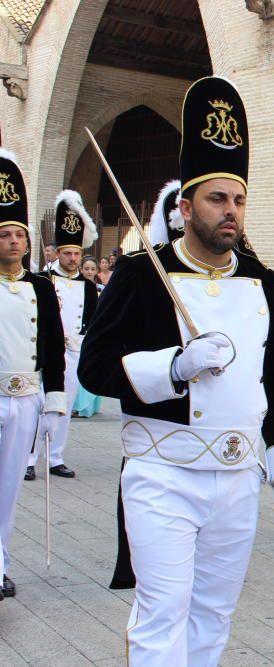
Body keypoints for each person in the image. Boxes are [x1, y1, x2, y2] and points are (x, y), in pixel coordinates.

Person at [78, 76, 274, 665]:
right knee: (164, 613)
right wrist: (173, 367)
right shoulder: (140, 274)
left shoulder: (260, 279)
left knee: (214, 615)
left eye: (237, 200)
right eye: (216, 199)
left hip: (236, 476)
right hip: (163, 472)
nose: (230, 212)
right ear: (185, 207)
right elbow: (94, 368)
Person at [0, 148, 66, 600]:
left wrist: (55, 399)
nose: (13, 242)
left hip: (25, 398)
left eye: (18, 234)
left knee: (7, 488)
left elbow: (54, 346)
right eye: (4, 234)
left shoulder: (41, 286)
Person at [26, 190, 99, 481]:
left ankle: (55, 457)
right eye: (67, 253)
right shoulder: (43, 280)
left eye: (76, 253)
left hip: (73, 351)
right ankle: (29, 458)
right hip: (44, 353)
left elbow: (92, 320)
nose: (72, 258)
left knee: (64, 406)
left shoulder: (88, 286)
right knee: (39, 406)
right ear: (57, 253)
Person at [72, 257, 104, 418]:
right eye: (86, 268)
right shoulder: (75, 286)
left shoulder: (99, 289)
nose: (89, 271)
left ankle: (86, 406)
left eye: (92, 269)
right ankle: (74, 405)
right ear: (81, 269)